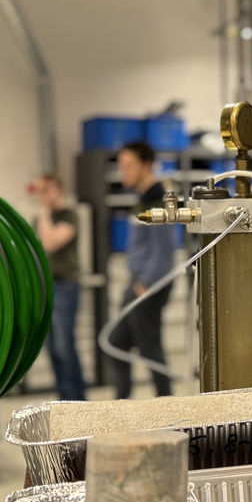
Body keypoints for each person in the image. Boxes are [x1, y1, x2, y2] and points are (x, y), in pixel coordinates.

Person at [110, 141, 176, 399]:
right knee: (118, 343)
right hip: (139, 281)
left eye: (129, 165)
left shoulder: (156, 199)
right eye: (121, 166)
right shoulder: (141, 199)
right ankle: (122, 409)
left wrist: (144, 284)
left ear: (146, 165)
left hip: (148, 285)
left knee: (149, 349)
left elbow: (164, 252)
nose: (123, 171)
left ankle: (168, 408)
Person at [32, 172, 85, 402]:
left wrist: (43, 213)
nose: (44, 195)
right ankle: (65, 402)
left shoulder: (69, 216)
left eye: (48, 189)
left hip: (65, 287)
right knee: (52, 349)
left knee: (65, 348)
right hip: (47, 287)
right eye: (40, 190)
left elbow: (50, 243)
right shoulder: (41, 221)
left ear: (59, 190)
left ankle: (78, 403)